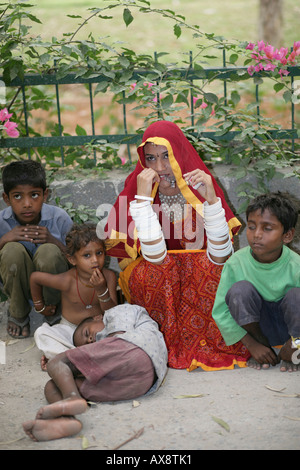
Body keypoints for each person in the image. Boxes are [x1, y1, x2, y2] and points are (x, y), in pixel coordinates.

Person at [104, 120, 250, 371]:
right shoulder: (138, 188)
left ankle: (208, 341)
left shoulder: (199, 183)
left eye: (166, 157)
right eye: (150, 159)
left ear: (179, 153)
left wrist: (212, 200)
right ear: (143, 159)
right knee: (155, 272)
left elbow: (221, 256)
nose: (160, 168)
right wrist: (141, 200)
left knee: (215, 271)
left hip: (201, 270)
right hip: (159, 270)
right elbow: (157, 259)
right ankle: (164, 340)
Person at [22, 303, 168, 442]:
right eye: (86, 344)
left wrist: (71, 365)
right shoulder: (106, 350)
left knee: (56, 363)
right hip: (140, 383)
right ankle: (67, 420)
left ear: (98, 317)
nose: (90, 340)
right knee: (52, 386)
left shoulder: (117, 312)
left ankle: (72, 397)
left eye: (87, 333)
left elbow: (119, 335)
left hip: (139, 349)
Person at [212, 192, 300, 372]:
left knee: (296, 296)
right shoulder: (236, 263)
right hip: (257, 330)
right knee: (239, 291)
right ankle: (264, 349)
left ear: (287, 235)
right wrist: (252, 344)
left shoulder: (296, 265)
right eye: (251, 227)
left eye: (267, 228)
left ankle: (291, 350)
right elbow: (221, 311)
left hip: (291, 331)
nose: (256, 235)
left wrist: (296, 343)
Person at [0, 160, 73, 339]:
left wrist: (54, 242)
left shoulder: (59, 219)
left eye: (34, 195)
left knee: (49, 251)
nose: (27, 203)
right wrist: (3, 240)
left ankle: (53, 311)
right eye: (17, 196)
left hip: (52, 289)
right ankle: (18, 312)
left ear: (45, 194)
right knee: (11, 251)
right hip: (19, 289)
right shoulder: (1, 222)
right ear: (6, 198)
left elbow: (77, 260)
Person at [32, 223, 118, 369]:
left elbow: (113, 313)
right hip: (70, 330)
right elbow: (35, 278)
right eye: (87, 255)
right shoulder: (67, 280)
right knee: (42, 333)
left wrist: (101, 290)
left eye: (99, 253)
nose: (95, 260)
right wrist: (40, 307)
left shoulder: (108, 276)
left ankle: (65, 359)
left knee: (118, 334)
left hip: (97, 331)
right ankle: (77, 359)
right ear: (72, 260)